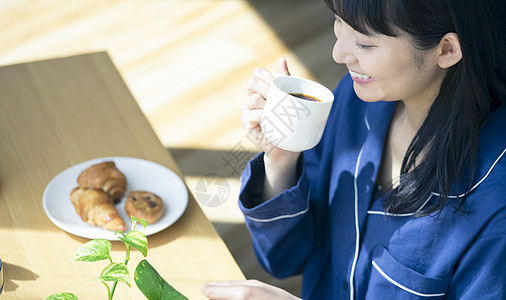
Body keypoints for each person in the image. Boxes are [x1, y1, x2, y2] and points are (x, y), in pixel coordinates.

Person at [202, 0, 506, 299]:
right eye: (338, 21)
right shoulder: (354, 102)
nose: (338, 53)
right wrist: (282, 159)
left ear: (447, 49)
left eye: (363, 43)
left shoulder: (495, 207)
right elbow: (286, 257)